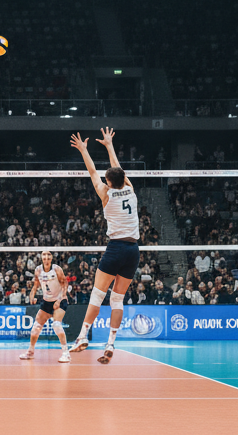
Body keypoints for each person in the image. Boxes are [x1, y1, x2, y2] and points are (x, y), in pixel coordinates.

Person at [68, 128, 140, 364]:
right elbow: (119, 170)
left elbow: (92, 171)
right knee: (117, 300)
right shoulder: (130, 189)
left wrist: (84, 150)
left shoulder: (105, 194)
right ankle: (110, 343)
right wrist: (109, 145)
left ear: (109, 182)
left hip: (116, 248)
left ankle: (82, 337)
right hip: (133, 251)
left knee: (98, 295)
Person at [19, 250, 71, 363]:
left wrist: (59, 299)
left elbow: (65, 284)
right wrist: (31, 296)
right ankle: (30, 352)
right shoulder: (38, 270)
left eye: (48, 256)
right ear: (41, 258)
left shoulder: (56, 269)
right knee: (36, 327)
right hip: (46, 301)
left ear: (51, 258)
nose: (46, 258)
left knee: (56, 325)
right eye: (44, 256)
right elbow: (35, 286)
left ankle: (66, 353)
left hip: (59, 300)